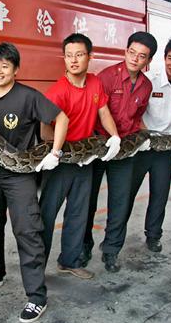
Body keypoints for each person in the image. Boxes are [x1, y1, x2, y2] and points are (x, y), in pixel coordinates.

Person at [0, 42, 69, 323]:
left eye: (5, 65)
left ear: (16, 69)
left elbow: (61, 118)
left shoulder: (28, 96)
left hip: (20, 177)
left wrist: (55, 151)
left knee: (27, 232)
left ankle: (36, 297)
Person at [40, 33, 120, 280]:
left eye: (79, 55)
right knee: (46, 214)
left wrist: (114, 136)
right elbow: (44, 131)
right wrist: (57, 151)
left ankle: (70, 261)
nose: (73, 60)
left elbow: (103, 112)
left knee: (79, 212)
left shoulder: (95, 83)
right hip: (61, 161)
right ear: (63, 58)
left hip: (85, 160)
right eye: (69, 55)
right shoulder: (57, 91)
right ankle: (36, 267)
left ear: (90, 57)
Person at [84, 31, 157, 272]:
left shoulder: (146, 86)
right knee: (88, 201)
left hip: (124, 150)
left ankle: (111, 250)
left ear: (148, 61)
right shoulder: (106, 78)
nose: (135, 59)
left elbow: (137, 118)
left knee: (121, 202)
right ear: (125, 52)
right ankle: (84, 247)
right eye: (132, 52)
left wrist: (143, 137)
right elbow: (93, 112)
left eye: (142, 56)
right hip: (99, 146)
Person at [130, 37, 171, 253]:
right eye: (170, 58)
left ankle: (153, 235)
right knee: (127, 194)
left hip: (165, 148)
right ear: (164, 57)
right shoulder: (149, 79)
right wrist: (144, 135)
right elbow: (136, 113)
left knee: (160, 194)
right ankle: (115, 236)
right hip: (143, 146)